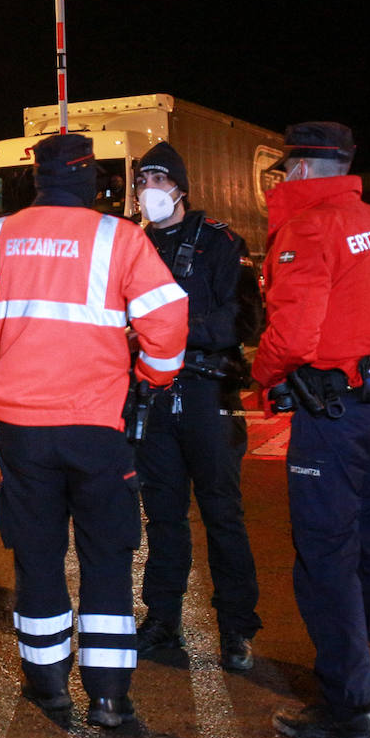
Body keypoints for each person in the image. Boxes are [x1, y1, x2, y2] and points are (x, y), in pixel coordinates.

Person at [0, 133, 189, 728]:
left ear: (35, 180)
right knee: (107, 560)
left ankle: (47, 687)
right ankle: (110, 697)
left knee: (38, 559)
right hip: (98, 430)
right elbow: (168, 319)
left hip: (23, 431)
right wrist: (151, 375)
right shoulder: (119, 238)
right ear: (91, 179)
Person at [251, 122, 370, 738]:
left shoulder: (309, 227)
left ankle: (348, 707)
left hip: (333, 417)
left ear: (300, 170)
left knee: (327, 558)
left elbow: (294, 336)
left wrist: (263, 374)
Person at [131, 141, 262, 672]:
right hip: (153, 402)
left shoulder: (222, 244)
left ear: (181, 187)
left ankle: (236, 627)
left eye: (158, 182)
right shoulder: (131, 247)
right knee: (162, 519)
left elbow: (247, 319)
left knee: (222, 514)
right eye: (142, 183)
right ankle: (162, 619)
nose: (149, 193)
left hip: (209, 395)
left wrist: (174, 334)